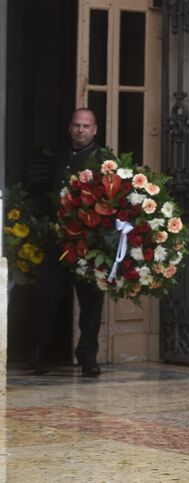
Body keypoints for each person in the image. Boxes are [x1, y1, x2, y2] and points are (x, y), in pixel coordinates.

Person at [31, 108, 108, 377]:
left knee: (90, 301)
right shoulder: (59, 155)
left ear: (95, 130)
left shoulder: (102, 159)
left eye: (86, 126)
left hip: (88, 242)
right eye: (76, 125)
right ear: (69, 127)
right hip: (57, 239)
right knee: (46, 294)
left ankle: (88, 356)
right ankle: (41, 352)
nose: (80, 130)